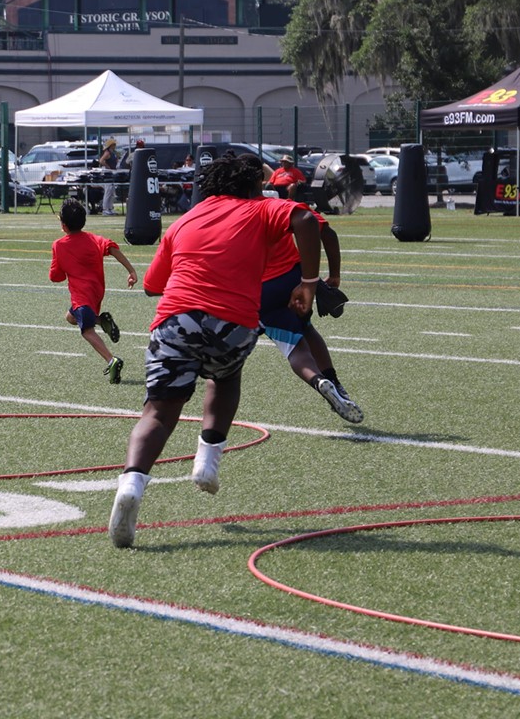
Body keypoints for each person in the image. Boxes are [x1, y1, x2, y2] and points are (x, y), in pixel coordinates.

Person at [108, 152, 321, 549]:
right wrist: (309, 282)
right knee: (225, 375)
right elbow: (307, 220)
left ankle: (132, 484)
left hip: (175, 320)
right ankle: (207, 460)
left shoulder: (185, 220)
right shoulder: (261, 208)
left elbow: (154, 285)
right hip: (233, 321)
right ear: (253, 185)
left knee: (158, 411)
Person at [256, 187, 363, 423]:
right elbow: (327, 232)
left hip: (254, 289)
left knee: (293, 348)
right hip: (294, 280)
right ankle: (332, 382)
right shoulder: (279, 206)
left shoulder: (228, 208)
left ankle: (318, 380)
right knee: (306, 329)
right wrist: (333, 275)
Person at [49, 198, 138, 384]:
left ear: (63, 225)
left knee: (86, 331)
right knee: (70, 317)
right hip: (97, 291)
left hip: (82, 296)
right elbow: (113, 248)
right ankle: (101, 320)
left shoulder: (59, 245)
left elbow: (56, 277)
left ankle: (111, 359)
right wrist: (131, 271)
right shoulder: (93, 239)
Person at [99, 138, 119, 215]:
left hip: (112, 172)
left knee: (112, 192)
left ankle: (110, 208)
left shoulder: (113, 152)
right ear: (111, 145)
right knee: (108, 191)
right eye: (114, 144)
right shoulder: (107, 152)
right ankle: (105, 209)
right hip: (108, 173)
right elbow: (101, 161)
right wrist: (107, 166)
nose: (115, 146)